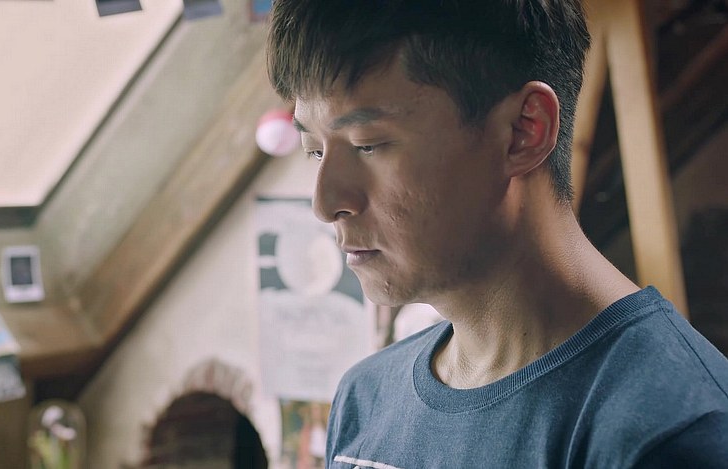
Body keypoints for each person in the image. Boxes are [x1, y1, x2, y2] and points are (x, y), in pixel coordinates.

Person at [265, 1, 728, 467]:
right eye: (314, 149)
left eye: (368, 145)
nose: (324, 204)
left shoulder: (668, 431)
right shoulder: (364, 399)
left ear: (524, 131)